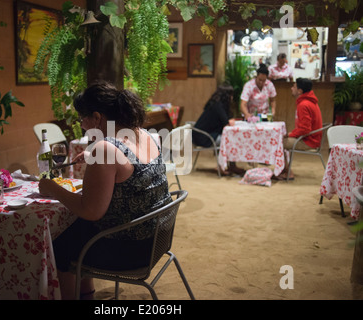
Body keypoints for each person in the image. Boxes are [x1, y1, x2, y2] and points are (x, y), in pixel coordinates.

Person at [38, 81, 171, 299]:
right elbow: (131, 168)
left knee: (59, 245)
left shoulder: (105, 148)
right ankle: (87, 294)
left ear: (97, 117)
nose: (81, 125)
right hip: (157, 239)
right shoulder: (144, 134)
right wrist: (94, 156)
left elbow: (91, 211)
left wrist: (52, 188)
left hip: (130, 250)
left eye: (82, 118)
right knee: (78, 229)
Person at [192, 84, 245, 176]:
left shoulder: (219, 104)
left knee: (229, 139)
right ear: (227, 96)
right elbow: (228, 122)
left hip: (207, 134)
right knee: (229, 141)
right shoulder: (217, 106)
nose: (232, 98)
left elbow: (227, 120)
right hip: (203, 137)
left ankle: (231, 166)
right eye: (231, 95)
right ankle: (222, 167)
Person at [278, 78, 323, 180]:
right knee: (281, 140)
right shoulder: (309, 101)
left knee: (278, 142)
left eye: (294, 86)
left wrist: (290, 134)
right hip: (312, 138)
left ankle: (287, 171)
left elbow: (305, 129)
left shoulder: (304, 104)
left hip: (309, 140)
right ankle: (285, 169)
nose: (291, 88)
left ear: (300, 91)